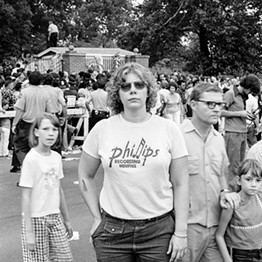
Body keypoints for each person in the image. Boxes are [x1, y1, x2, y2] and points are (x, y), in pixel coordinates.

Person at [78, 62, 189, 262]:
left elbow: (181, 183)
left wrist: (181, 232)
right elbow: (85, 175)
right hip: (113, 231)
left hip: (159, 231)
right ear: (117, 93)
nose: (132, 91)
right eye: (125, 86)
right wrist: (96, 217)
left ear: (149, 91)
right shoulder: (103, 129)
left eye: (139, 85)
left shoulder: (169, 129)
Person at [179, 82, 240, 262]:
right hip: (187, 227)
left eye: (219, 105)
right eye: (210, 104)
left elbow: (222, 174)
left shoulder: (219, 139)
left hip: (216, 226)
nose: (216, 109)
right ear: (193, 104)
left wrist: (225, 192)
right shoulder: (176, 137)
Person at [19, 113, 73, 261]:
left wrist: (66, 220)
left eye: (55, 129)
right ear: (36, 132)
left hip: (54, 217)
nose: (51, 133)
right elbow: (25, 196)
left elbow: (58, 189)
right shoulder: (31, 159)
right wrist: (29, 232)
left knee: (64, 258)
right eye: (45, 129)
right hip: (36, 218)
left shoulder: (56, 157)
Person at [216, 159, 262, 262]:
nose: (253, 184)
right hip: (240, 254)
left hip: (259, 252)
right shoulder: (232, 203)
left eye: (258, 180)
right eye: (248, 179)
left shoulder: (259, 199)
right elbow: (219, 235)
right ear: (238, 180)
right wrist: (228, 259)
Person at [221, 74, 261, 191]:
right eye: (250, 91)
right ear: (247, 87)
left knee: (240, 167)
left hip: (242, 132)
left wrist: (247, 116)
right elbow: (219, 112)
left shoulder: (243, 97)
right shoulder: (230, 94)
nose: (250, 94)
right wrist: (239, 113)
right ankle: (230, 193)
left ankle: (237, 192)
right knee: (233, 167)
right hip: (232, 133)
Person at [12, 71, 51, 168]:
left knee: (20, 146)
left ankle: (27, 168)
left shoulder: (24, 92)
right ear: (41, 80)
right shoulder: (45, 94)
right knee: (37, 147)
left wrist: (14, 124)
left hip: (26, 123)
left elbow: (20, 110)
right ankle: (37, 169)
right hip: (40, 124)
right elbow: (48, 112)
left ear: (29, 80)